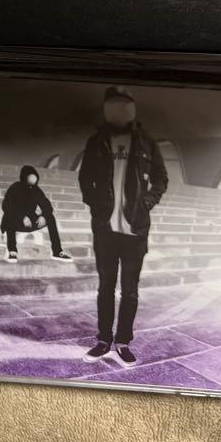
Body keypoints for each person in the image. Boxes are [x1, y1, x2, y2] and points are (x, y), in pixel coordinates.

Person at [79, 87, 168, 367]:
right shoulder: (96, 142)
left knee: (129, 291)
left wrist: (146, 203)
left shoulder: (146, 142)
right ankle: (103, 340)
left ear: (131, 109)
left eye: (124, 104)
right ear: (107, 109)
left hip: (135, 231)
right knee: (105, 288)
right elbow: (85, 179)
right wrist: (95, 206)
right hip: (105, 229)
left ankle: (123, 342)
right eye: (113, 104)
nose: (119, 110)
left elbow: (161, 178)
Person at [0, 165, 72, 263]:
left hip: (31, 222)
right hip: (16, 221)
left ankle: (57, 251)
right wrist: (22, 217)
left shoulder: (36, 190)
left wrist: (43, 216)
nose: (34, 180)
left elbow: (47, 206)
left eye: (35, 177)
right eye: (31, 177)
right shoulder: (15, 187)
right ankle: (12, 251)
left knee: (50, 217)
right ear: (25, 177)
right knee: (9, 216)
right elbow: (6, 206)